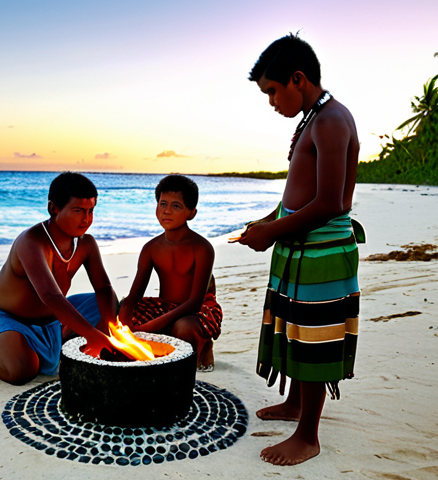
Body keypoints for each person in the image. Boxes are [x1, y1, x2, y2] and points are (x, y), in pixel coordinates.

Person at [236, 34, 362, 466]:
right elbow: (297, 195)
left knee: (313, 337)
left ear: (297, 78)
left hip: (323, 251)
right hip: (301, 247)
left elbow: (331, 202)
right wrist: (269, 222)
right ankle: (294, 404)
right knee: (294, 324)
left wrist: (273, 233)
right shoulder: (313, 118)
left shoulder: (330, 121)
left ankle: (308, 435)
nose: (271, 101)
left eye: (272, 91)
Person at [0, 172, 117, 385]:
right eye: (78, 211)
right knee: (22, 371)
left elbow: (103, 287)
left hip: (53, 319)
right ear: (54, 208)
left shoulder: (86, 244)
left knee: (112, 304)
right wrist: (91, 334)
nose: (86, 219)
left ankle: (65, 334)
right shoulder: (31, 241)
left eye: (91, 211)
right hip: (10, 317)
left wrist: (108, 327)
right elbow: (50, 295)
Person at [118, 174, 222, 371]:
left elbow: (194, 302)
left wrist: (147, 328)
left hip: (198, 310)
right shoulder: (151, 247)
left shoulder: (202, 248)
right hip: (164, 308)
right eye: (163, 204)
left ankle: (204, 342)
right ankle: (163, 337)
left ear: (191, 213)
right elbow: (134, 295)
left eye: (176, 206)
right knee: (122, 309)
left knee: (182, 328)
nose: (167, 211)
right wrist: (125, 321)